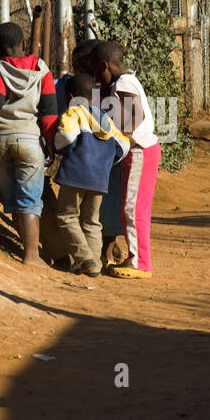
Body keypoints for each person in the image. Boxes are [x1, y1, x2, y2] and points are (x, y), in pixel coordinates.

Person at [0, 22, 57, 267]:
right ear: (23, 44)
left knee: (13, 198)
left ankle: (25, 248)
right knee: (31, 200)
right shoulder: (41, 70)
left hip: (0, 140)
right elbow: (48, 114)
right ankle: (32, 256)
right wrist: (53, 144)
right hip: (29, 140)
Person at [92, 41, 160, 279]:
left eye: (96, 70)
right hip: (144, 150)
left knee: (132, 209)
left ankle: (140, 263)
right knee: (135, 208)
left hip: (139, 150)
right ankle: (136, 258)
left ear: (104, 66)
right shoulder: (125, 81)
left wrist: (125, 139)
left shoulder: (123, 82)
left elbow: (136, 113)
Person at [52, 73, 130, 277]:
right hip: (99, 179)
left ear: (70, 96)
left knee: (67, 216)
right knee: (92, 222)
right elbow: (124, 144)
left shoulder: (74, 112)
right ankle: (94, 263)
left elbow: (67, 136)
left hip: (75, 175)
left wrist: (58, 146)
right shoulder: (105, 117)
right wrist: (107, 162)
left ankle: (84, 258)